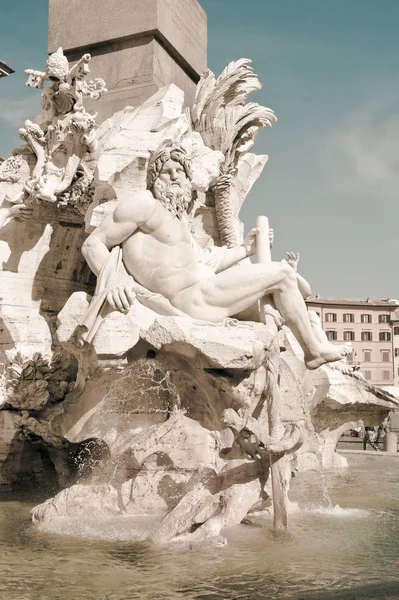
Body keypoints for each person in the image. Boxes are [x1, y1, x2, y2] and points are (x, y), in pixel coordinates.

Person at [82, 143, 351, 370]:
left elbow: (207, 261)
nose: (175, 176)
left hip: (205, 291)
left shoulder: (178, 220)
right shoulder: (144, 204)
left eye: (180, 171)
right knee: (282, 274)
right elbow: (93, 244)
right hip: (191, 299)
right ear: (155, 178)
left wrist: (246, 250)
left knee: (274, 304)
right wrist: (114, 278)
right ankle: (314, 350)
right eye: (167, 171)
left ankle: (315, 342)